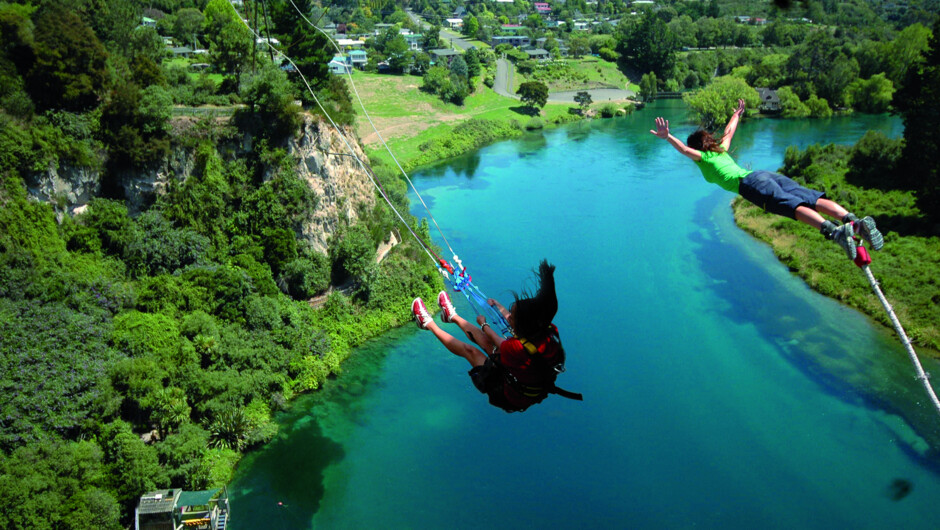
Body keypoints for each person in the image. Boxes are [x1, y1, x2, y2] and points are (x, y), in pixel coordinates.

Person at [650, 99, 884, 260]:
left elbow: (683, 150)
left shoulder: (702, 158)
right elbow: (729, 132)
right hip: (763, 174)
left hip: (751, 185)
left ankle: (834, 232)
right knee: (809, 197)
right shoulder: (720, 149)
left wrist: (667, 136)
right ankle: (852, 220)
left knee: (791, 206)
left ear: (697, 148)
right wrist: (737, 113)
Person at [411, 260, 581, 412]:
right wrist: (499, 306)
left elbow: (494, 339)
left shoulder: (516, 347)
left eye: (511, 317)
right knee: (487, 343)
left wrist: (483, 324)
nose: (507, 317)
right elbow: (514, 323)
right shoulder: (547, 329)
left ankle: (427, 323)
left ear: (522, 326)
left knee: (473, 351)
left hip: (507, 393)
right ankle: (452, 316)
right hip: (524, 375)